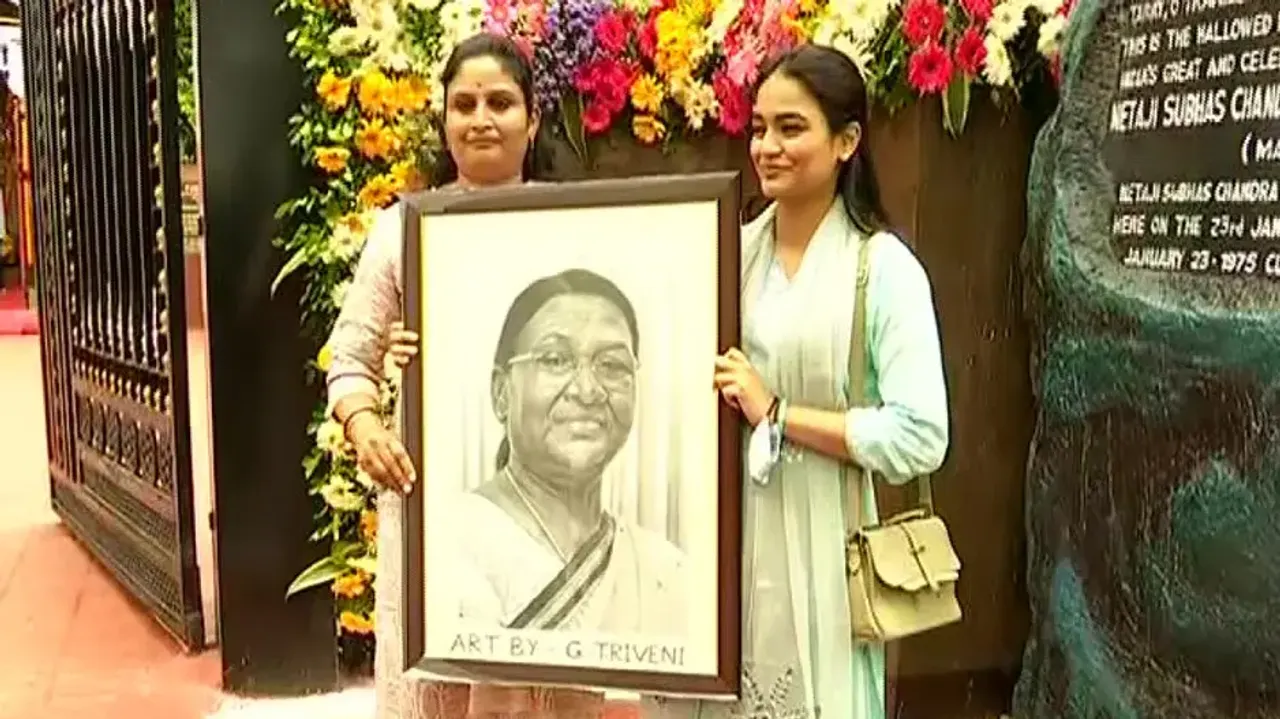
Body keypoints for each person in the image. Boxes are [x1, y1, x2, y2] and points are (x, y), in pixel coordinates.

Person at [644, 45, 949, 718]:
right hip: (718, 533)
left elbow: (921, 436)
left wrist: (779, 412)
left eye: (791, 128)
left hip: (824, 540)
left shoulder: (884, 268)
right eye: (758, 128)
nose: (768, 147)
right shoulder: (727, 248)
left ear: (846, 141)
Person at [325, 32, 607, 719]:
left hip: (555, 500)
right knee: (444, 682)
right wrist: (367, 429)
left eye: (501, 102)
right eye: (465, 103)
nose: (482, 118)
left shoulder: (579, 228)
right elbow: (350, 362)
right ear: (444, 120)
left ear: (533, 119)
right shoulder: (400, 231)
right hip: (435, 494)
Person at [440, 268, 690, 637]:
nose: (588, 391)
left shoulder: (664, 571)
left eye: (612, 365)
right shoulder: (446, 541)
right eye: (555, 360)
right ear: (501, 393)